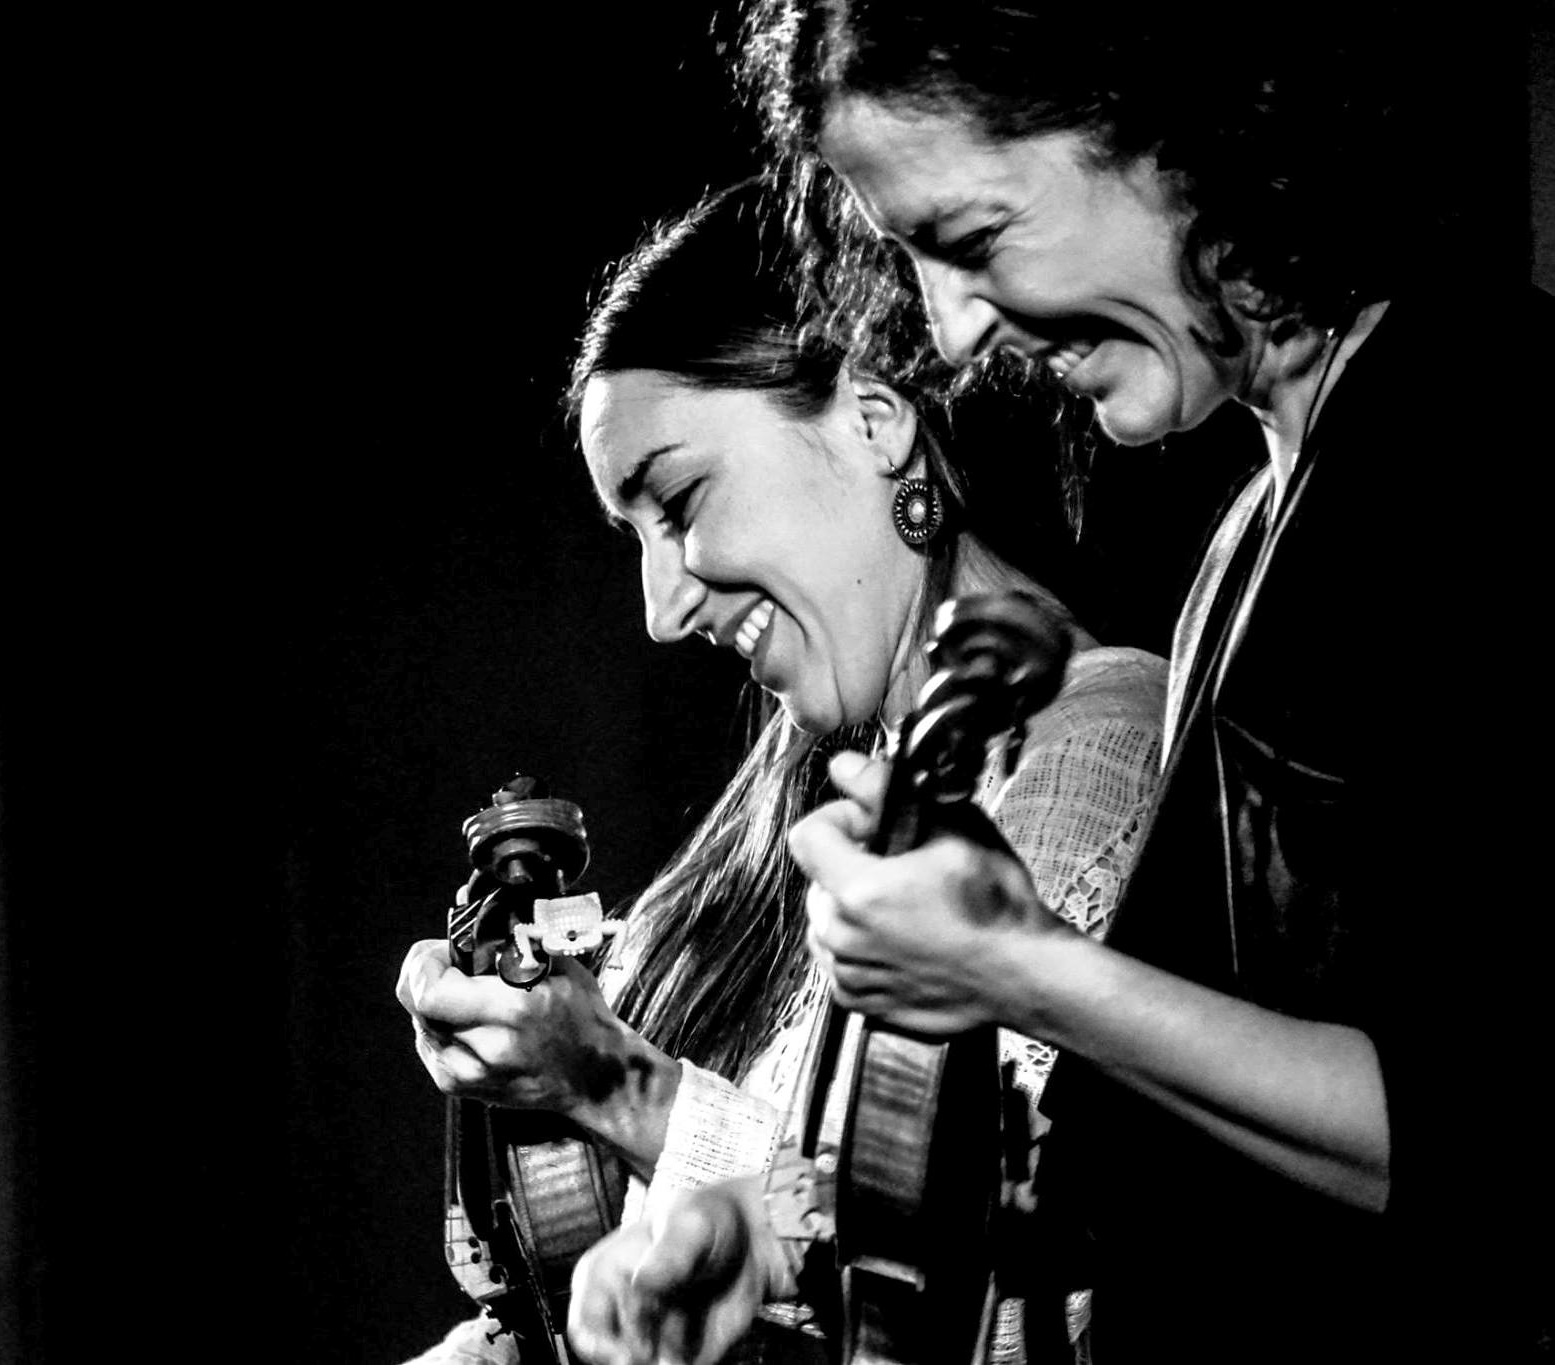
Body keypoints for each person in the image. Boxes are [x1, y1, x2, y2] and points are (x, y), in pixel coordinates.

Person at [567, 6, 1551, 1363]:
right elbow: (1153, 1180)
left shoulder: (1484, 440)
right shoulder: (1255, 528)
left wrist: (1021, 970)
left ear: (1173, 125)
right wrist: (769, 1232)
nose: (954, 331)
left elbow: (1498, 1138)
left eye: (974, 241)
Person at [397, 177, 1169, 1364]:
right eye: (633, 539)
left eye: (679, 501)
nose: (660, 610)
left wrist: (621, 1090)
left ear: (873, 418)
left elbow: (990, 1284)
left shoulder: (1091, 748)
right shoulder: (811, 794)